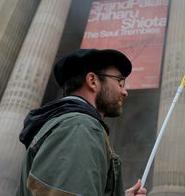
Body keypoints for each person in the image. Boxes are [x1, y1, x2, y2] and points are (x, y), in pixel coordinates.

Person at [16, 49, 147, 196]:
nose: (124, 92)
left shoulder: (68, 124)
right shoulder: (81, 127)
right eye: (119, 82)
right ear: (92, 81)